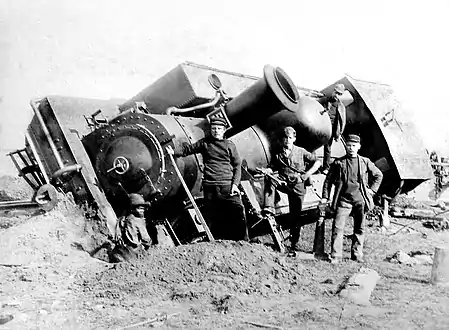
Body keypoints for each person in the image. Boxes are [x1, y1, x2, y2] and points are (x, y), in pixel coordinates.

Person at [166, 117, 248, 241]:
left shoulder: (229, 145)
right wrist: (174, 151)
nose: (216, 131)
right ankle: (216, 242)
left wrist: (235, 184)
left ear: (224, 130)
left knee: (237, 210)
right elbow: (188, 149)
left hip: (227, 186)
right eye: (214, 128)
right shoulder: (205, 143)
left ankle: (244, 241)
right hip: (210, 186)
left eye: (219, 129)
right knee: (212, 216)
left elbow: (237, 165)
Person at [321, 134, 383, 264]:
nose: (351, 148)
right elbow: (328, 181)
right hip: (343, 200)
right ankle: (336, 255)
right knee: (337, 227)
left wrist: (372, 190)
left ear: (359, 147)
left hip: (360, 200)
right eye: (348, 145)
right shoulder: (338, 162)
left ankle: (357, 254)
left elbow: (378, 175)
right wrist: (325, 197)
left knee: (360, 228)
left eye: (354, 146)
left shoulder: (364, 162)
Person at [259, 126, 321, 252]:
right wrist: (267, 170)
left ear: (294, 139)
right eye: (285, 138)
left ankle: (294, 243)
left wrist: (306, 175)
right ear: (282, 140)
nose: (287, 140)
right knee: (270, 179)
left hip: (298, 186)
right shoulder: (278, 153)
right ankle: (269, 208)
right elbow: (273, 167)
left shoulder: (301, 151)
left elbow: (318, 162)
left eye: (290, 138)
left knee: (295, 216)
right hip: (283, 183)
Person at [318, 83, 347, 174]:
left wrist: (338, 134)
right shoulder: (326, 100)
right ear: (333, 91)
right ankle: (311, 163)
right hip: (321, 126)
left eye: (340, 94)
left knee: (327, 149)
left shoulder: (341, 106)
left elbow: (342, 122)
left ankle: (326, 167)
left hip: (330, 130)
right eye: (336, 93)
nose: (337, 95)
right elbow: (315, 107)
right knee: (315, 144)